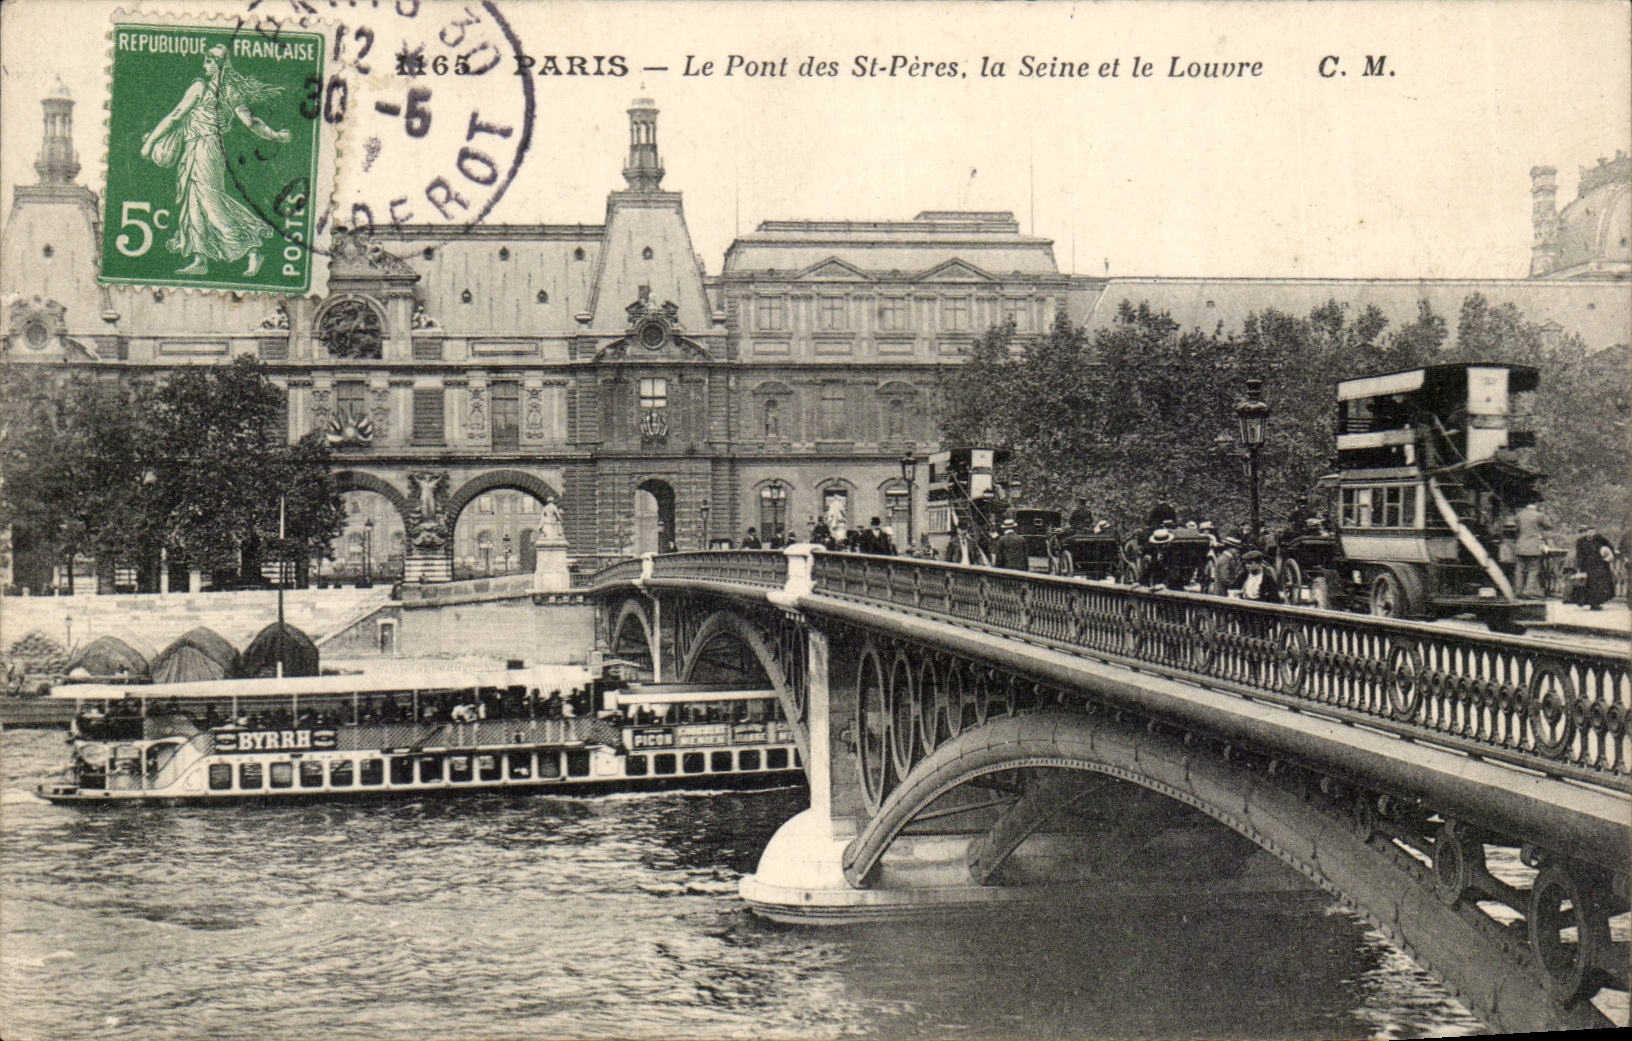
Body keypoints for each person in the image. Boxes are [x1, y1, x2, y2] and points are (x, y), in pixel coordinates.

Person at [140, 45, 291, 277]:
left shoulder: (206, 88)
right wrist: (276, 135)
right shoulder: (226, 91)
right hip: (195, 148)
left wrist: (150, 142)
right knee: (194, 203)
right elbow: (179, 115)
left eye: (209, 62)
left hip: (207, 148)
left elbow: (177, 115)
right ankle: (200, 259)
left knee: (211, 202)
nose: (204, 66)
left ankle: (252, 248)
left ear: (219, 64)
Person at [1569, 524, 1616, 609]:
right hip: (1587, 565)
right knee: (1588, 584)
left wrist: (1607, 554)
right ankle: (1589, 602)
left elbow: (1609, 546)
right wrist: (1580, 567)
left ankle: (1596, 603)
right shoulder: (1581, 541)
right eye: (1589, 531)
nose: (1591, 533)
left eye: (1592, 531)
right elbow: (1579, 554)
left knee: (1598, 585)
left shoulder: (1599, 539)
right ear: (1586, 532)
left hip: (1599, 565)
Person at [1513, 501, 1552, 598]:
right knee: (1533, 569)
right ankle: (1528, 591)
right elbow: (1549, 526)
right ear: (1536, 505)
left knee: (1519, 569)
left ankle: (1518, 591)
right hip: (1533, 546)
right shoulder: (1539, 515)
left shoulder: (1519, 515)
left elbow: (1516, 529)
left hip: (1520, 545)